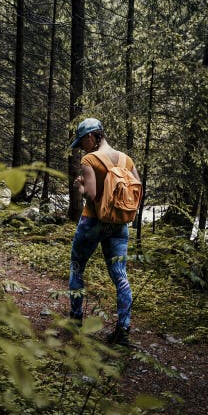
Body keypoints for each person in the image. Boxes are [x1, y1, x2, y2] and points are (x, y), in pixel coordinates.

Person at [68, 118, 141, 346]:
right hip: (119, 225)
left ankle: (75, 323)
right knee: (120, 276)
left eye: (82, 141)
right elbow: (138, 188)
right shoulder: (126, 160)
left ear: (92, 136)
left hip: (92, 221)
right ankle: (124, 329)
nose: (81, 146)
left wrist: (79, 186)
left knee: (77, 268)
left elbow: (90, 195)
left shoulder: (89, 159)